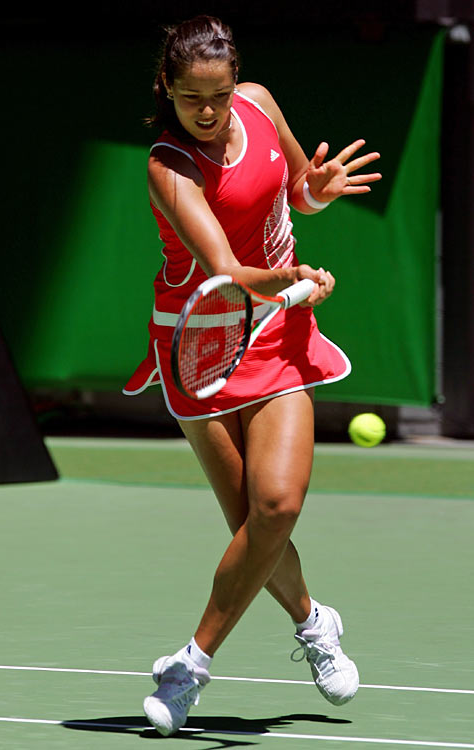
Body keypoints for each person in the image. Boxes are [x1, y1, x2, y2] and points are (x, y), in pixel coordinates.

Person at [123, 15, 381, 737]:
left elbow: (295, 190)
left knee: (275, 507)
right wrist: (292, 275)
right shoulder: (168, 165)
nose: (206, 112)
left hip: (275, 330)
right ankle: (313, 622)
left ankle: (190, 666)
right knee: (248, 521)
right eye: (189, 98)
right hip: (199, 343)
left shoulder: (261, 105)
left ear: (237, 83)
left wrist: (319, 191)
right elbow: (226, 274)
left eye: (219, 95)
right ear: (166, 89)